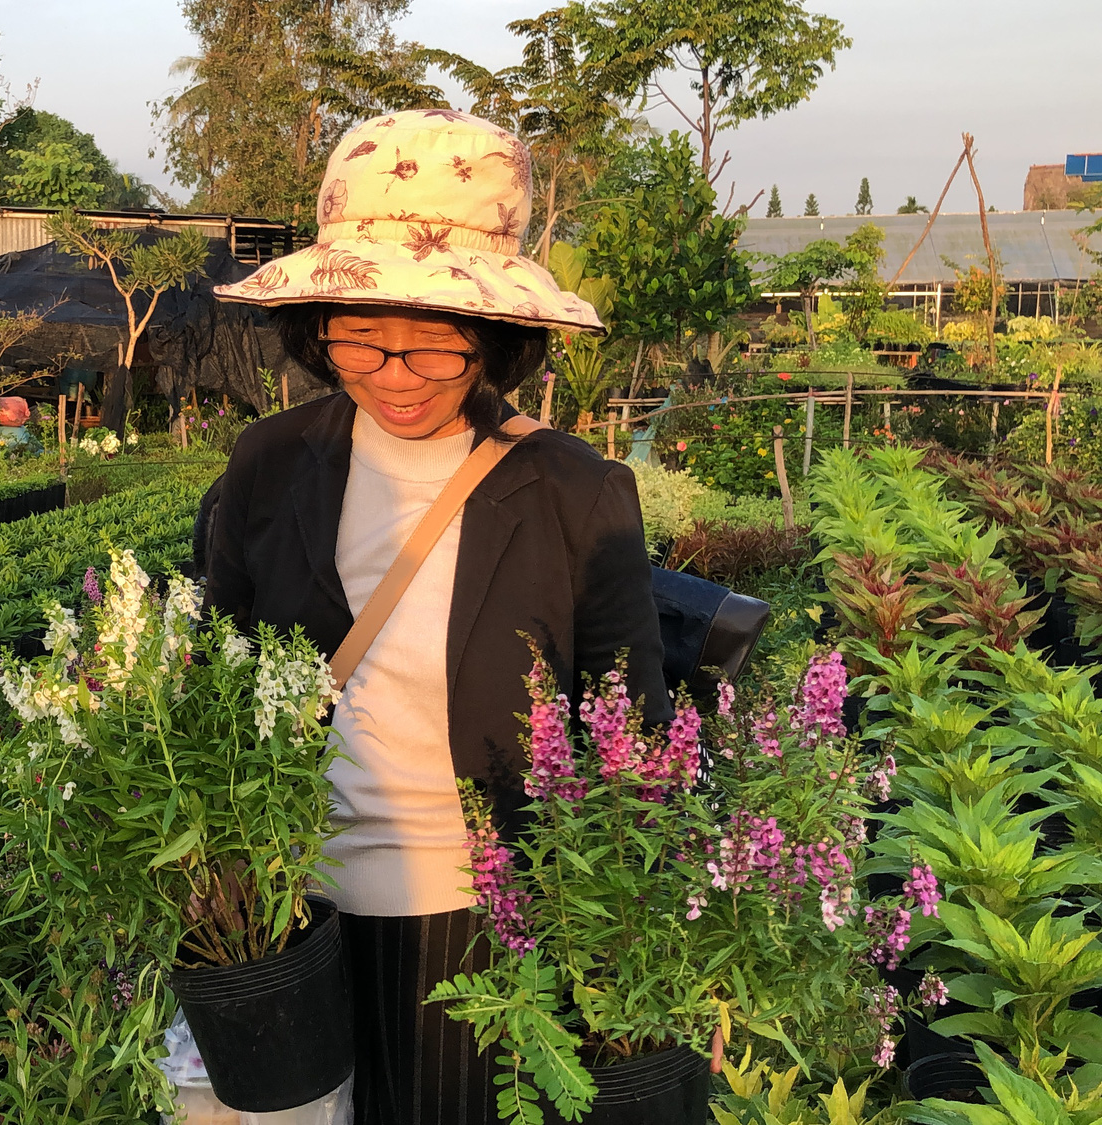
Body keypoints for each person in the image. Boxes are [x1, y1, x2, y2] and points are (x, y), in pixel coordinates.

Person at [204, 110, 670, 1125]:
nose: (392, 380)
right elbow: (215, 662)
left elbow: (627, 734)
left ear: (496, 341)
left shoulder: (572, 493)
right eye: (359, 347)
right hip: (286, 914)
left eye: (434, 354)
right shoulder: (270, 461)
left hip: (476, 915)